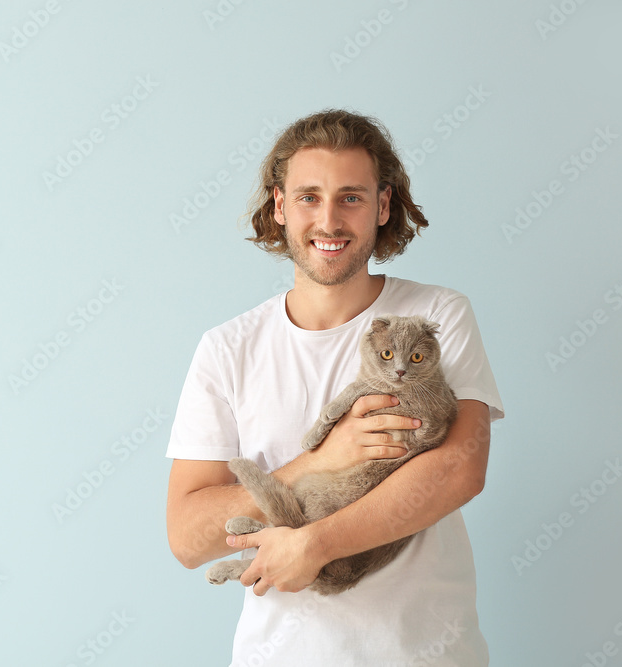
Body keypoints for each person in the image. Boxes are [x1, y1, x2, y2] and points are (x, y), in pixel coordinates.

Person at [165, 109, 504, 666]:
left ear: (383, 205)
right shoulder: (227, 348)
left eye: (350, 197)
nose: (329, 220)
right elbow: (187, 538)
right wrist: (317, 460)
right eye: (307, 197)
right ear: (279, 206)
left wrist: (315, 545)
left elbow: (460, 468)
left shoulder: (435, 315)